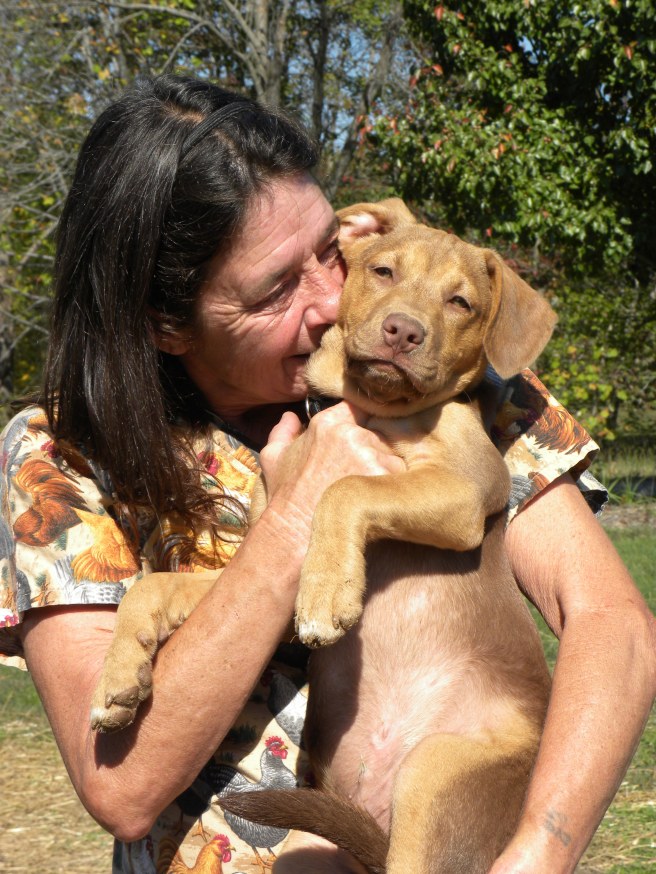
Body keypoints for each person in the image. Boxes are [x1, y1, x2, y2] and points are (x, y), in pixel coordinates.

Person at [0, 74, 654, 874]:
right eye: (276, 289)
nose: (329, 303)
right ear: (166, 323)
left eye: (328, 253)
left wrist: (539, 855)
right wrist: (297, 516)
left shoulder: (463, 382)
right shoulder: (61, 454)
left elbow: (611, 623)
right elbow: (122, 786)